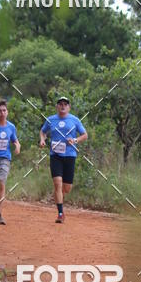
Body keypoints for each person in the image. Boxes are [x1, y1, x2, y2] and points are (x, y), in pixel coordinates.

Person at [39, 95, 87, 223]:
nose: (62, 106)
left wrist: (75, 140)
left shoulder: (74, 120)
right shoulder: (51, 120)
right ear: (57, 107)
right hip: (55, 155)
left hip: (70, 155)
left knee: (66, 188)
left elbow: (84, 135)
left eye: (65, 104)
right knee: (57, 184)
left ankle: (59, 197)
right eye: (60, 104)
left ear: (69, 107)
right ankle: (60, 213)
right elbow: (43, 131)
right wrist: (42, 140)